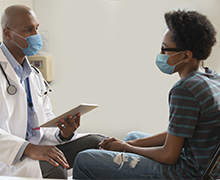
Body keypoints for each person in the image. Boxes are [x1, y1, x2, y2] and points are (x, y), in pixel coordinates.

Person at [72, 10, 220, 179]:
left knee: (84, 160)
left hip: (185, 173)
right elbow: (179, 132)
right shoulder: (213, 78)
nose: (161, 55)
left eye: (164, 49)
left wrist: (126, 148)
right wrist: (128, 143)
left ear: (186, 55)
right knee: (132, 136)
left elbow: (169, 156)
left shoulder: (185, 89)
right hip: (207, 167)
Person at [0, 4, 105, 179]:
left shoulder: (33, 74)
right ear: (7, 33)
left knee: (98, 143)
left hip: (37, 147)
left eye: (36, 28)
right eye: (28, 30)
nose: (35, 35)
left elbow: (43, 119)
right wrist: (27, 148)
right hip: (8, 158)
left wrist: (63, 133)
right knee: (54, 166)